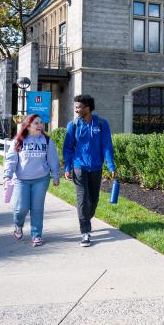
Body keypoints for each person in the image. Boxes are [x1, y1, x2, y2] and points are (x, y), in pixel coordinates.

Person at [63, 94, 115, 247]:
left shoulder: (101, 124)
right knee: (82, 198)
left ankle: (87, 216)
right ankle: (85, 231)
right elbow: (68, 148)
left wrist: (111, 166)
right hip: (79, 166)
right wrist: (68, 167)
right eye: (76, 107)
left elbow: (107, 146)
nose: (76, 110)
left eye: (79, 107)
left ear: (88, 108)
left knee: (93, 199)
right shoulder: (73, 125)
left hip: (96, 167)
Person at [3, 114, 60, 246]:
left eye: (41, 123)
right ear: (27, 126)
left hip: (41, 179)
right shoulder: (18, 140)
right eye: (36, 123)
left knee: (37, 208)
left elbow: (53, 159)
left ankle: (36, 235)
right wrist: (7, 176)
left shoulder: (46, 140)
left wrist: (55, 175)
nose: (40, 125)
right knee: (21, 209)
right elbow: (11, 160)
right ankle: (18, 224)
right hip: (21, 180)